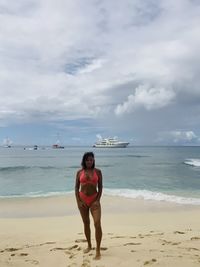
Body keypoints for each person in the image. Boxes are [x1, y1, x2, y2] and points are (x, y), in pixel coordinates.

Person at [75, 152, 103, 260]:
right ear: (84, 161)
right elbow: (76, 188)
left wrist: (97, 200)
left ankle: (98, 250)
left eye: (91, 160)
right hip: (82, 201)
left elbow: (100, 188)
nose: (89, 162)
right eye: (87, 160)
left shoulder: (98, 172)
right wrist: (78, 201)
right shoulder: (79, 172)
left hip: (94, 201)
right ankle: (89, 245)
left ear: (93, 160)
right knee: (86, 223)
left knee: (97, 223)